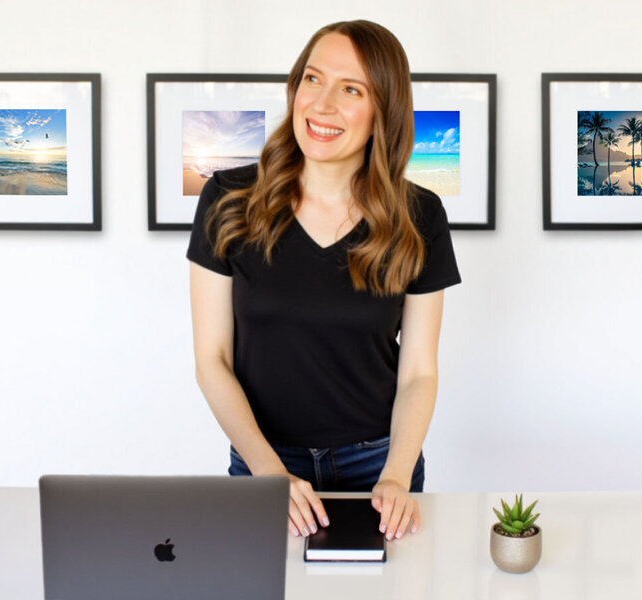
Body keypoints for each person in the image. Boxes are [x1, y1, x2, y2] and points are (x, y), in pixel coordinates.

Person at [187, 20, 461, 543]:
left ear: (384, 109)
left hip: (379, 467)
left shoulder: (419, 214)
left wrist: (397, 475)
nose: (322, 104)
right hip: (263, 459)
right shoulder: (226, 199)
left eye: (351, 89)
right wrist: (269, 472)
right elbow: (212, 361)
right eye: (313, 79)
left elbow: (418, 372)